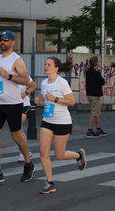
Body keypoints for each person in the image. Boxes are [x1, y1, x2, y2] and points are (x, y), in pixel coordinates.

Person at [0, 30, 34, 185]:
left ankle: (28, 163)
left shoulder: (17, 60)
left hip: (13, 104)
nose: (2, 42)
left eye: (5, 39)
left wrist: (9, 76)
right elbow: (1, 81)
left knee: (17, 137)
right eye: (0, 39)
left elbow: (26, 81)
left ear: (12, 42)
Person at [34, 57, 87, 194]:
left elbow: (71, 101)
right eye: (45, 64)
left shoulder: (62, 82)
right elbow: (45, 103)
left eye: (49, 65)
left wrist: (56, 99)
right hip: (47, 120)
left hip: (62, 121)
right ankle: (49, 183)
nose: (46, 67)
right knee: (43, 151)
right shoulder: (44, 82)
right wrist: (39, 101)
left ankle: (78, 155)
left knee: (59, 155)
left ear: (56, 68)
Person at [85, 56, 108, 138]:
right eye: (97, 62)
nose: (98, 63)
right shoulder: (96, 72)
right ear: (95, 63)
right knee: (94, 113)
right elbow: (102, 81)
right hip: (95, 95)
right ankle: (90, 130)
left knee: (96, 112)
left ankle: (98, 129)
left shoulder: (88, 71)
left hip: (90, 94)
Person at [17, 76, 37, 162]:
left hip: (25, 105)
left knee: (17, 126)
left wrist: (25, 93)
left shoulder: (24, 75)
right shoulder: (8, 76)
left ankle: (22, 152)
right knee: (17, 131)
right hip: (13, 106)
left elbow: (33, 86)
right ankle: (26, 151)